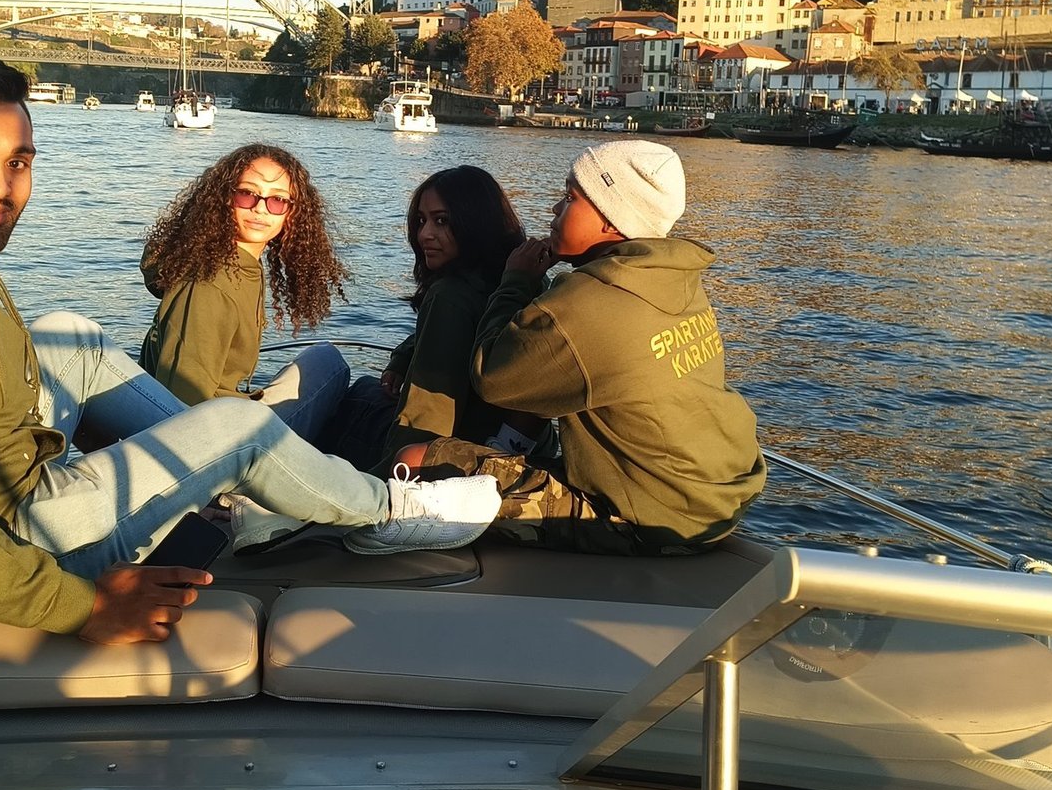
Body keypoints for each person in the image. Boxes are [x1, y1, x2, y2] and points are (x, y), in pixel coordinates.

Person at [0, 54, 502, 644]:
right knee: (240, 425)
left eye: (18, 161)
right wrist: (85, 608)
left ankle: (216, 475)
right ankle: (383, 511)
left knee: (65, 334)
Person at [403, 140, 766, 555]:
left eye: (571, 197)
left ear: (612, 219)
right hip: (711, 500)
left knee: (419, 458)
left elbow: (492, 376)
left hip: (643, 521)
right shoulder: (674, 278)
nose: (556, 209)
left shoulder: (590, 300)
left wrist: (516, 282)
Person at [337, 165, 543, 471]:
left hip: (448, 455)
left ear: (475, 223)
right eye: (421, 220)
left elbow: (429, 409)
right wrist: (405, 355)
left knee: (346, 398)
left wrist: (386, 484)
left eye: (442, 221)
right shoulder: (522, 280)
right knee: (365, 392)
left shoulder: (449, 296)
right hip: (512, 448)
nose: (424, 235)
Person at [139, 144, 349, 443]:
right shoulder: (211, 283)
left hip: (233, 410)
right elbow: (181, 405)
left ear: (292, 213)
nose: (261, 209)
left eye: (277, 200)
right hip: (220, 438)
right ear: (224, 198)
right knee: (332, 371)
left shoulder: (243, 264)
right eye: (247, 194)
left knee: (327, 359)